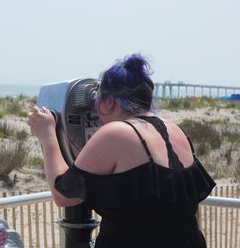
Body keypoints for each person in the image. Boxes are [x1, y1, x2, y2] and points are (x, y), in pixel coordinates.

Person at [27, 54, 216, 247]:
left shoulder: (116, 133)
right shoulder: (177, 130)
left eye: (98, 100)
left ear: (110, 102)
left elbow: (63, 195)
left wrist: (47, 134)